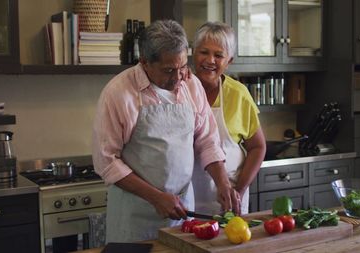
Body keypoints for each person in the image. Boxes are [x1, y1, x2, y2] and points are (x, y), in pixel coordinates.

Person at [92, 20, 240, 243]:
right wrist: (156, 197)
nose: (179, 77)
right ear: (144, 62)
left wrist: (223, 183)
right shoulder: (119, 93)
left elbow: (207, 140)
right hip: (135, 216)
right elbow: (107, 162)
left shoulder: (191, 85)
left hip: (183, 211)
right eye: (169, 70)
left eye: (182, 67)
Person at [192, 21, 266, 215]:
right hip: (186, 200)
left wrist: (239, 190)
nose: (210, 60)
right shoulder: (181, 89)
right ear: (193, 52)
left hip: (230, 201)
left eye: (218, 55)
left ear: (229, 61)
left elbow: (257, 147)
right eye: (204, 52)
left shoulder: (238, 94)